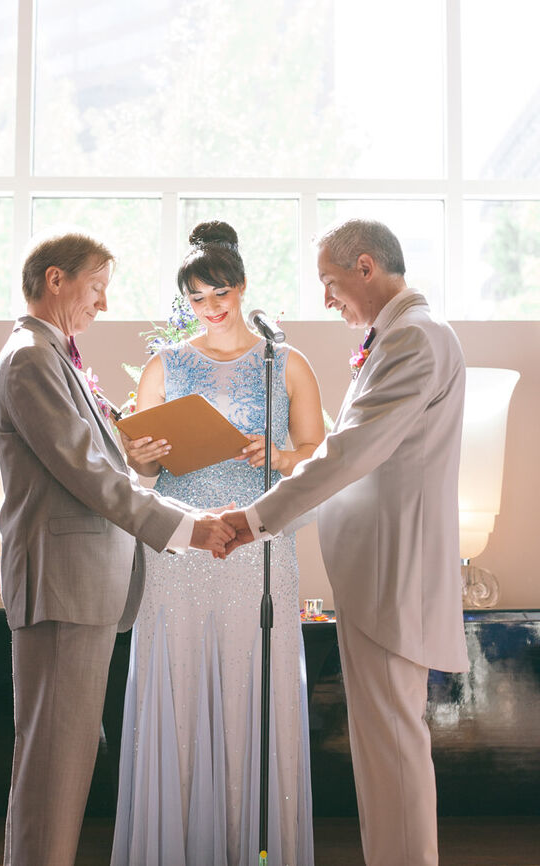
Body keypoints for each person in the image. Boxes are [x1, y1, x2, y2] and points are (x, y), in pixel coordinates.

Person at [222, 219, 469, 866]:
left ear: (366, 267)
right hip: (377, 572)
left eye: (330, 283)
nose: (327, 299)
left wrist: (256, 519)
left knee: (391, 747)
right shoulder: (396, 336)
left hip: (396, 572)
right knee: (382, 750)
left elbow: (350, 451)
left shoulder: (414, 338)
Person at [0, 228, 235, 866]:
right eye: (96, 287)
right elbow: (88, 475)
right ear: (55, 279)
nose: (102, 304)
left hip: (82, 589)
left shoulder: (54, 356)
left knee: (63, 765)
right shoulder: (31, 359)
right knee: (52, 767)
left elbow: (107, 467)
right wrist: (188, 528)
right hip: (63, 584)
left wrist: (162, 483)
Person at [110, 220, 325, 866]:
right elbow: (136, 476)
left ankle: (249, 846)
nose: (211, 308)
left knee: (251, 686)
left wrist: (281, 456)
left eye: (220, 293)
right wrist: (144, 458)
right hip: (181, 550)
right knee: (175, 686)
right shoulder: (163, 366)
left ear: (243, 286)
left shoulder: (285, 364)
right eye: (197, 299)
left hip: (258, 548)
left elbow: (321, 455)